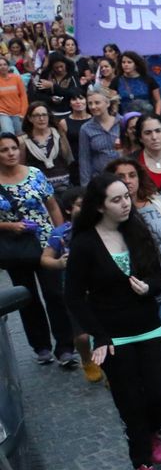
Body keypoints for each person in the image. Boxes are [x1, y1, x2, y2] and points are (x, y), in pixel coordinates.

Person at [64, 173, 161, 470]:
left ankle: (153, 432)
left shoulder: (139, 231)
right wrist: (100, 336)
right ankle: (142, 464)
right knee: (130, 403)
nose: (126, 203)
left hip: (149, 327)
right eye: (117, 199)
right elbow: (73, 296)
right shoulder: (84, 244)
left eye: (127, 196)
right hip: (114, 335)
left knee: (159, 394)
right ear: (100, 207)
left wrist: (149, 287)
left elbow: (158, 276)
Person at [104, 158, 161, 419]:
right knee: (145, 357)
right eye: (120, 176)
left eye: (132, 174)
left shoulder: (157, 202)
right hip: (132, 296)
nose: (127, 180)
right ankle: (155, 403)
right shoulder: (107, 215)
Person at [0, 131, 74, 365]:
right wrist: (11, 226)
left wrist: (61, 234)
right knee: (26, 296)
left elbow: (52, 206)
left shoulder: (34, 174)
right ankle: (40, 345)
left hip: (46, 244)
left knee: (55, 294)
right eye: (4, 150)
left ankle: (65, 346)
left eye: (13, 148)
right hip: (15, 247)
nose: (10, 153)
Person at [77, 89, 124, 184]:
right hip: (100, 178)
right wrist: (85, 186)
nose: (93, 107)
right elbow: (84, 159)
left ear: (107, 103)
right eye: (90, 103)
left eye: (97, 103)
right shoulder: (86, 128)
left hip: (122, 176)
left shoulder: (122, 122)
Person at [22, 102, 73, 188]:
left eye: (44, 115)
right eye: (37, 115)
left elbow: (69, 159)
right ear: (30, 118)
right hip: (39, 188)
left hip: (64, 186)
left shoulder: (59, 135)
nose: (41, 118)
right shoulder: (23, 141)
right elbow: (22, 168)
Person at [0, 55, 28, 132]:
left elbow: (23, 96)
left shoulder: (16, 78)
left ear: (8, 66)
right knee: (9, 134)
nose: (2, 67)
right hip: (3, 113)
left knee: (21, 136)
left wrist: (23, 112)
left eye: (5, 64)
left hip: (18, 113)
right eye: (0, 65)